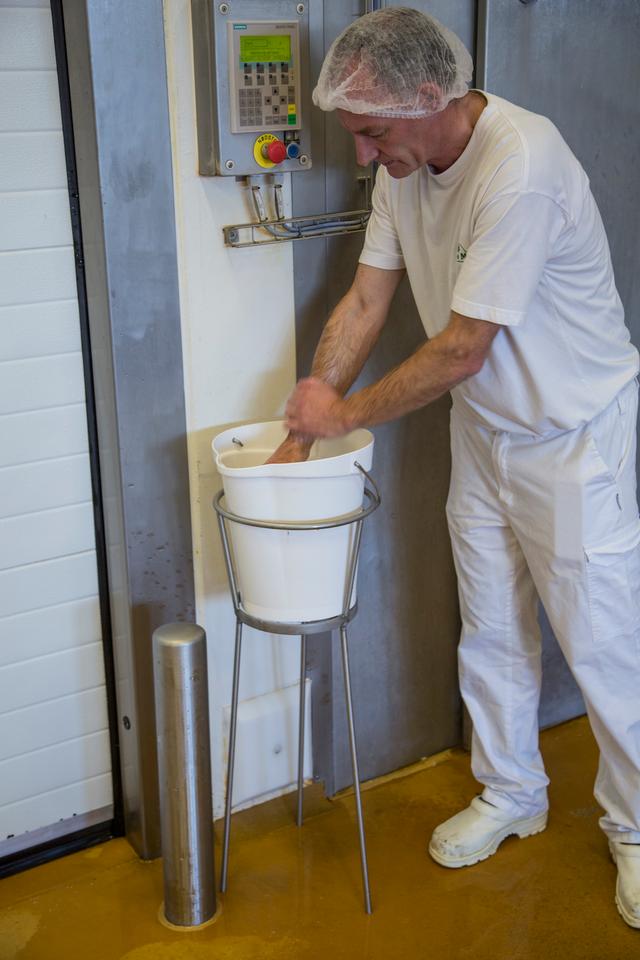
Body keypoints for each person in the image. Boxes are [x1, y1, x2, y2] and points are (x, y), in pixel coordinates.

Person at [269, 7, 640, 928]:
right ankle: (512, 791)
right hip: (484, 430)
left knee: (603, 643)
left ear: (429, 96)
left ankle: (636, 829)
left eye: (371, 132)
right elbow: (367, 296)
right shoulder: (407, 165)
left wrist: (347, 414)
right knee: (491, 624)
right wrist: (312, 409)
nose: (362, 155)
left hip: (572, 434)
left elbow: (463, 347)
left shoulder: (520, 167)